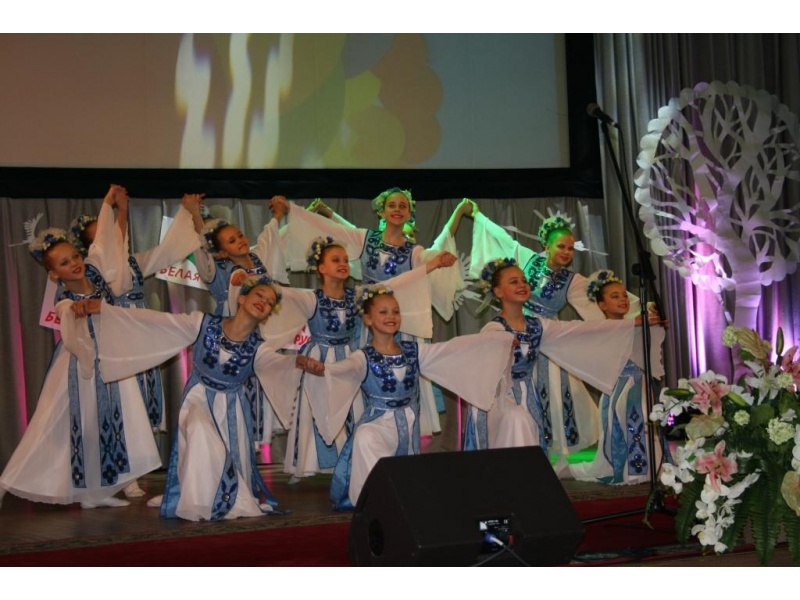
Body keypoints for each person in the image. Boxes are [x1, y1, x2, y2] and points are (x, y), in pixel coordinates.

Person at [96, 275, 313, 521]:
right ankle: (192, 496)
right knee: (198, 430)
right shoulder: (203, 323)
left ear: (267, 315)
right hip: (198, 398)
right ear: (242, 299)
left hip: (232, 409)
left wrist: (298, 361)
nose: (263, 302)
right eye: (259, 295)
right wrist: (107, 311)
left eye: (269, 302)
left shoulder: (259, 347)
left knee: (218, 448)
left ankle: (204, 495)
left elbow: (277, 363)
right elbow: (157, 321)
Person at [272, 190, 471, 438]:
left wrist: (439, 259)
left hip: (400, 328)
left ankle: (405, 436)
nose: (397, 209)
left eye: (403, 206)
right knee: (366, 380)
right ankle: (366, 436)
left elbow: (428, 258)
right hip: (367, 327)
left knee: (401, 382)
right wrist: (293, 210)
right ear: (382, 211)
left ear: (409, 213)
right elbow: (333, 230)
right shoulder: (366, 239)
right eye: (392, 205)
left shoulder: (414, 251)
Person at [260, 237, 456, 482]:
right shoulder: (312, 298)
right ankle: (306, 465)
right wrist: (249, 282)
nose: (343, 264)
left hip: (350, 358)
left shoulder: (356, 296)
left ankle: (350, 463)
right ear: (321, 268)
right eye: (335, 260)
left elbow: (394, 283)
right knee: (316, 409)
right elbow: (283, 293)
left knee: (352, 410)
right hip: (320, 359)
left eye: (345, 260)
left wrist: (432, 265)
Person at [464, 207, 645, 469]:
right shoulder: (527, 261)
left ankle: (551, 454)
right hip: (515, 332)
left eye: (571, 248)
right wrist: (479, 216)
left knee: (552, 397)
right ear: (546, 245)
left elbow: (606, 300)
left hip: (547, 339)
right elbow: (502, 238)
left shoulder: (573, 281)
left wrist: (639, 316)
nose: (566, 252)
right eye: (561, 246)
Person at [306, 287, 515, 510]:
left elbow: (451, 350)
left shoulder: (413, 351)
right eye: (383, 312)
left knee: (404, 473)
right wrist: (322, 368)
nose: (391, 316)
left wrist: (496, 342)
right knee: (365, 438)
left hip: (407, 425)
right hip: (378, 423)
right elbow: (343, 369)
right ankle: (376, 500)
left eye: (395, 311)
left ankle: (398, 499)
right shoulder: (363, 357)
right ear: (367, 319)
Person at [0, 226, 161, 509]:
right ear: (54, 274)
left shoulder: (96, 278)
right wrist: (75, 311)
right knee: (58, 426)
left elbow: (105, 244)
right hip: (80, 369)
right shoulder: (65, 300)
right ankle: (8, 482)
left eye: (75, 256)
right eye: (65, 263)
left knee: (114, 423)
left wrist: (113, 208)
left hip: (109, 364)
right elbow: (67, 318)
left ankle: (96, 492)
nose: (74, 263)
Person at [66, 186, 205, 497]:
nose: (114, 234)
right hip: (117, 334)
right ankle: (124, 475)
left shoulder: (132, 263)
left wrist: (187, 212)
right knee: (122, 403)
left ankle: (135, 467)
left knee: (139, 401)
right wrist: (118, 210)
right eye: (103, 234)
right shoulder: (96, 269)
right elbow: (112, 245)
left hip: (137, 329)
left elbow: (167, 251)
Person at [570, 270, 666, 484]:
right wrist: (639, 322)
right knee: (621, 423)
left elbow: (653, 325)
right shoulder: (601, 329)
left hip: (639, 384)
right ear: (601, 305)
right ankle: (632, 469)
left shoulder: (636, 324)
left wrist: (655, 316)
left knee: (642, 417)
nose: (622, 299)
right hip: (614, 387)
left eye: (624, 295)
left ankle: (645, 468)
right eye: (615, 296)